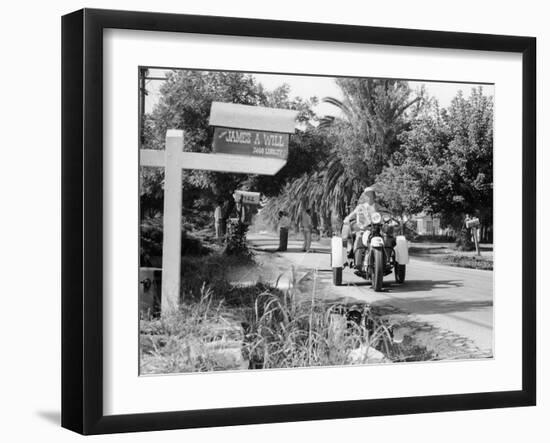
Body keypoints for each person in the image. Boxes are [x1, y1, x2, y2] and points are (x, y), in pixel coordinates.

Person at [343, 186, 391, 271]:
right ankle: (357, 261)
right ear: (364, 196)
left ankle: (387, 260)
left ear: (374, 196)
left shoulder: (377, 206)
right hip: (364, 229)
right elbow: (353, 214)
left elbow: (385, 213)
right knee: (359, 237)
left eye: (371, 194)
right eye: (367, 194)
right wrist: (347, 218)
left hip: (377, 229)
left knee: (386, 238)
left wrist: (389, 217)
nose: (369, 196)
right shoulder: (361, 207)